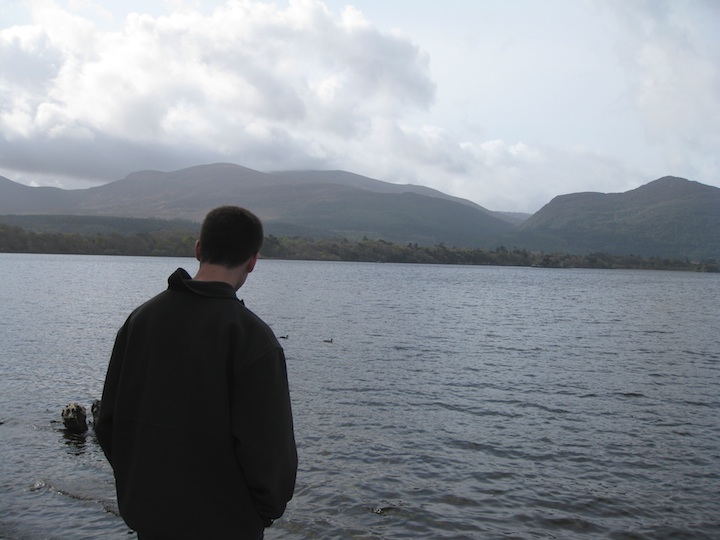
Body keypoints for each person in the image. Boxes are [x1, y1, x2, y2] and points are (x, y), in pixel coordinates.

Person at [96, 206, 297, 540]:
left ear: (199, 249)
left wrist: (142, 489)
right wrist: (261, 512)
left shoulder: (141, 320)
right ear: (252, 261)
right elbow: (271, 455)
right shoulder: (252, 338)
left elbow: (108, 423)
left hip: (150, 521)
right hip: (227, 528)